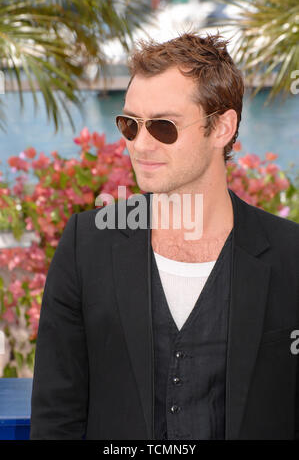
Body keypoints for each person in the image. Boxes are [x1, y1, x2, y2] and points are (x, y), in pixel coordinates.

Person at [30, 31, 299, 440]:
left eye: (163, 127)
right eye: (129, 125)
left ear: (222, 127)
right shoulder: (87, 245)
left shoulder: (290, 254)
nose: (140, 144)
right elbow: (57, 415)